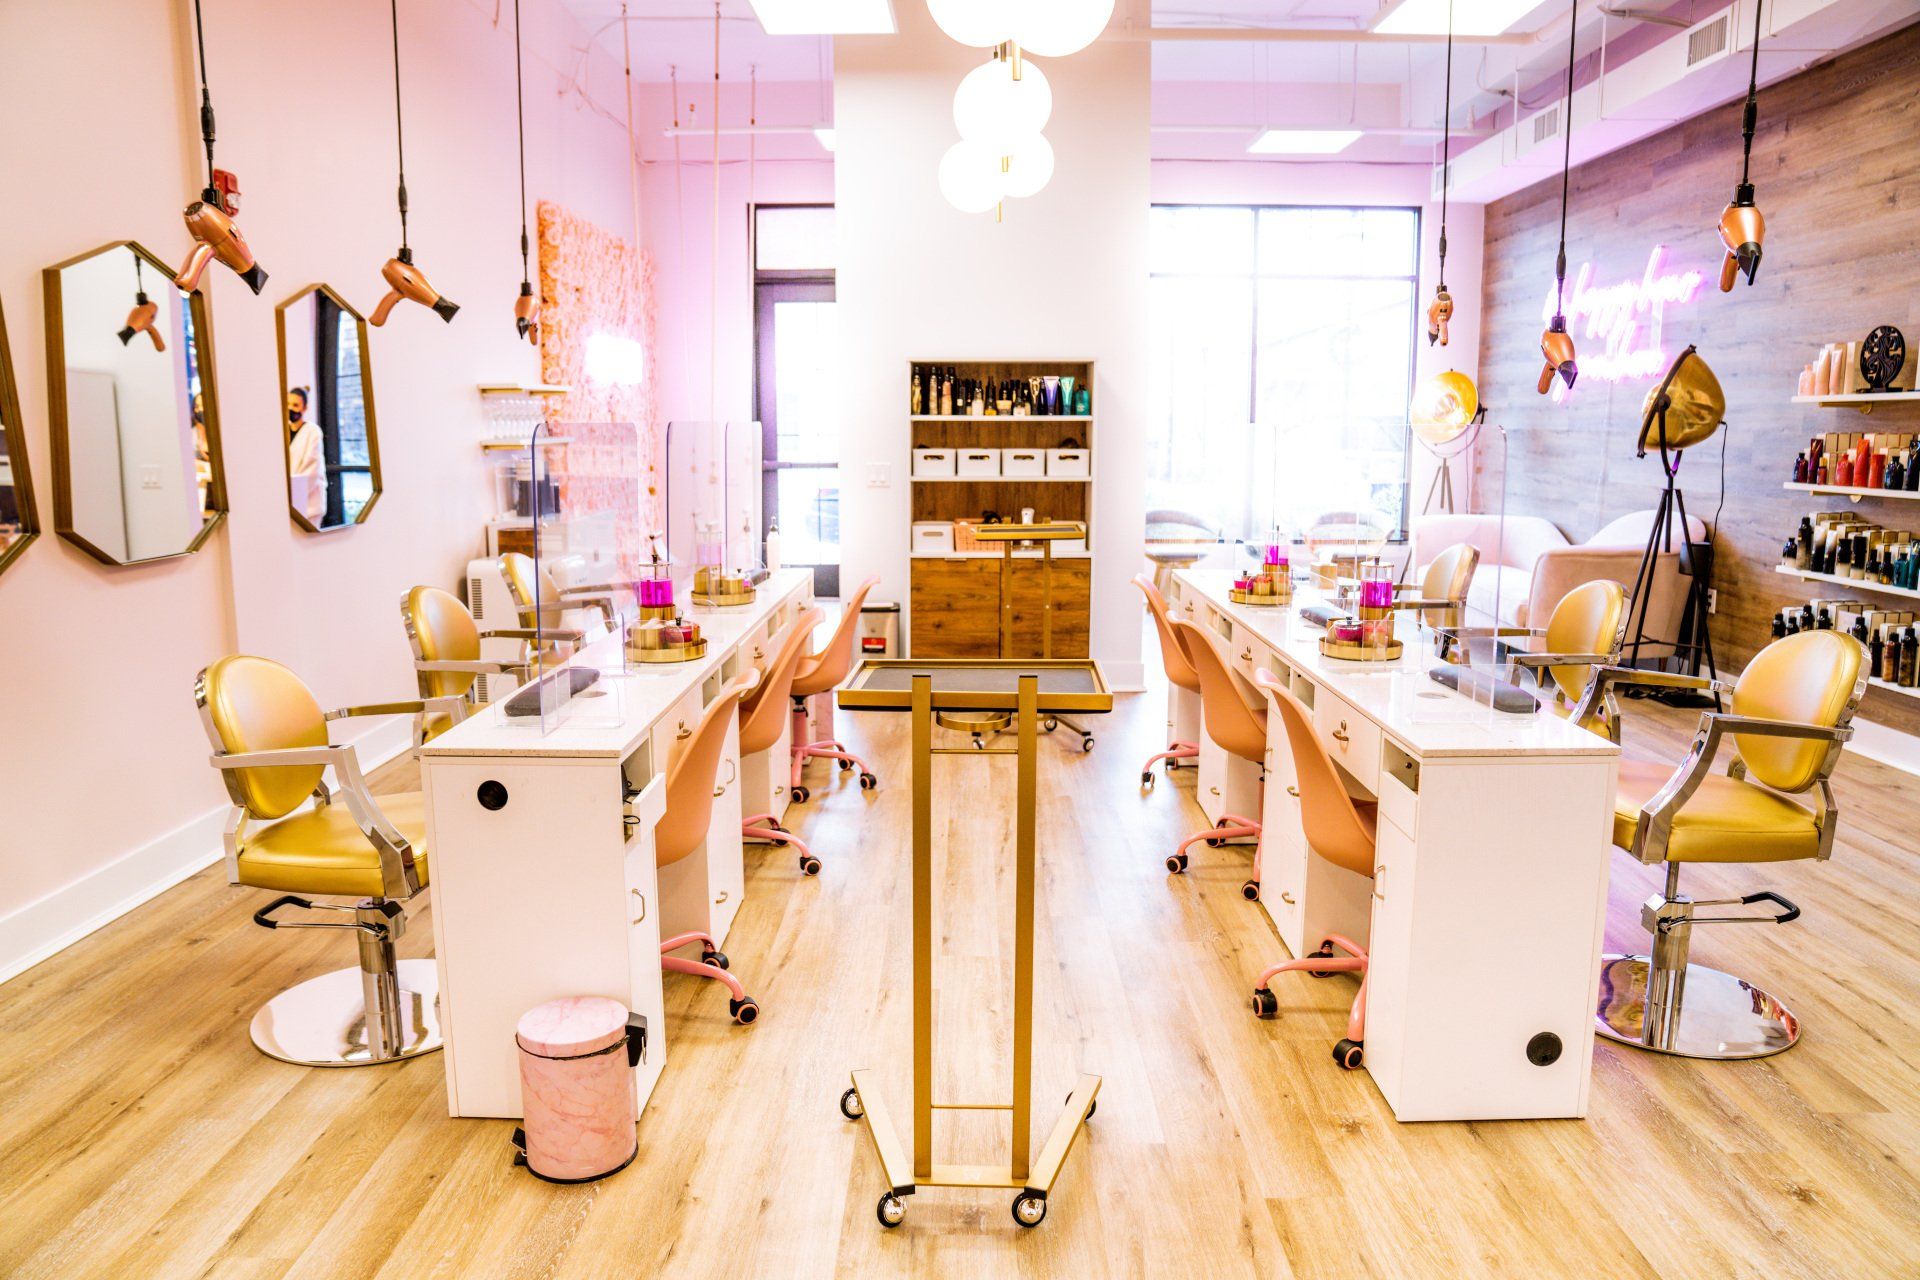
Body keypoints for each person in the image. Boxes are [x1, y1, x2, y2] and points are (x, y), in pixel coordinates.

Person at [286, 387, 328, 525]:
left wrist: (295, 493)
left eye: (295, 405)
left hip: (310, 501)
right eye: (288, 404)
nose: (291, 408)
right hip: (290, 500)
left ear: (305, 408)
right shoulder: (283, 431)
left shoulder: (312, 431)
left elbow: (312, 467)